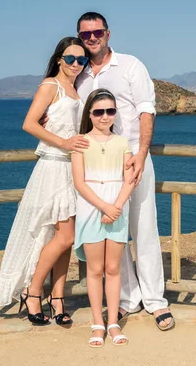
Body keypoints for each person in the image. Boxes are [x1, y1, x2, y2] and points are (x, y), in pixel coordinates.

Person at [75, 12, 174, 330]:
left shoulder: (131, 65)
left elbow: (147, 110)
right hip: (99, 169)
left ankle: (156, 301)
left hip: (134, 161)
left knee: (144, 229)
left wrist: (142, 154)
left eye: (97, 31)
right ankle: (129, 300)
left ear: (108, 33)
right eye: (86, 34)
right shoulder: (79, 73)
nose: (92, 38)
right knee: (116, 234)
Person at [0, 37, 90, 326]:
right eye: (70, 58)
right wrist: (63, 142)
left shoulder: (76, 88)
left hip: (72, 170)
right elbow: (29, 123)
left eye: (81, 60)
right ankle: (33, 291)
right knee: (65, 236)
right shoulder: (50, 86)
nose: (75, 64)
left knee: (64, 240)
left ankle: (57, 298)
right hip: (52, 169)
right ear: (59, 58)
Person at [72, 88, 134, 347]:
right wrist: (105, 207)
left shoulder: (122, 143)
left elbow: (129, 177)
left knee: (113, 268)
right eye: (99, 111)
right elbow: (79, 182)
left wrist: (116, 206)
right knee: (95, 270)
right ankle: (97, 323)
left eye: (110, 111)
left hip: (118, 206)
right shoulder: (81, 142)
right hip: (91, 207)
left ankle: (113, 322)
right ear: (90, 113)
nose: (105, 116)